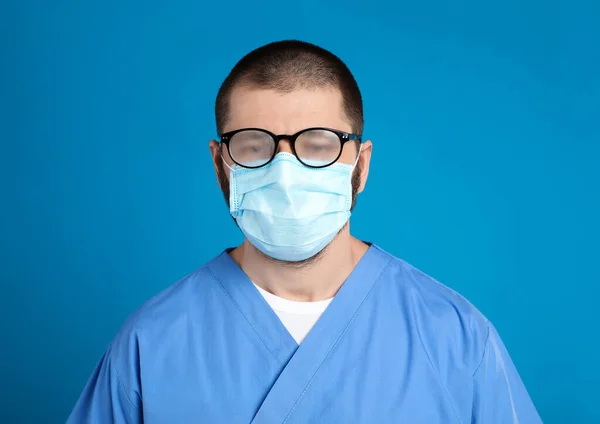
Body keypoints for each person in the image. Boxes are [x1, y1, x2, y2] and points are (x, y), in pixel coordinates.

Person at [67, 40, 543, 423]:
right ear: (220, 164)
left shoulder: (455, 338)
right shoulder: (150, 345)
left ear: (361, 163)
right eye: (254, 146)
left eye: (318, 145)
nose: (286, 173)